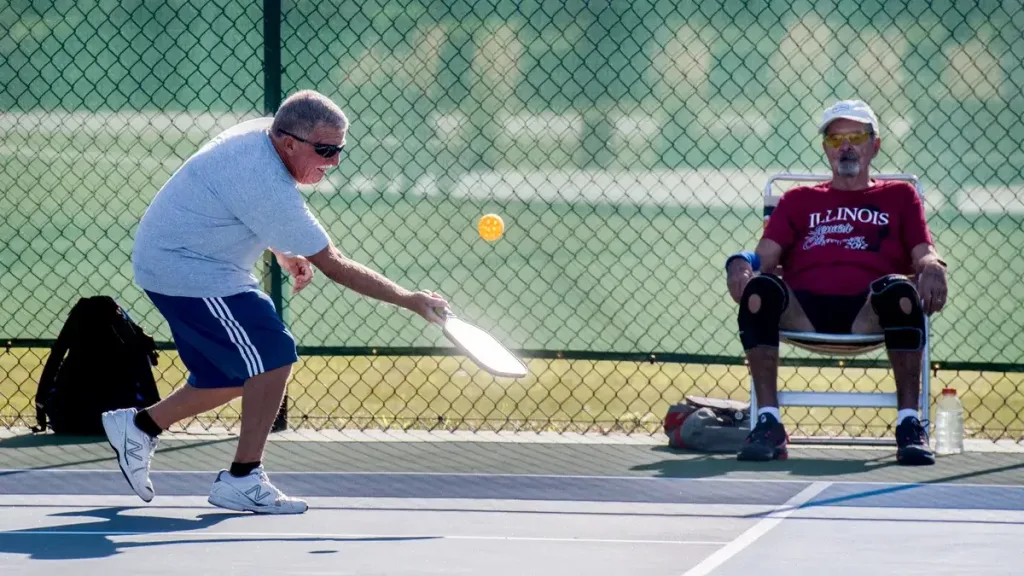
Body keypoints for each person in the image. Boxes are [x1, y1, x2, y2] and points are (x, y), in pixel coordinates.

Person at [101, 89, 449, 514]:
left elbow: (230, 203)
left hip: (189, 262)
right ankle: (242, 478)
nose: (334, 161)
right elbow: (335, 265)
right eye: (324, 150)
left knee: (233, 374)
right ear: (289, 142)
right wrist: (410, 299)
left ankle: (139, 426)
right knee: (273, 353)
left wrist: (284, 250)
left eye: (340, 149)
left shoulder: (262, 140)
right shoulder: (264, 180)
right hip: (187, 268)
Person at [724, 99, 949, 466]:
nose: (845, 146)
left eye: (856, 136)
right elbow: (762, 257)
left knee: (900, 292)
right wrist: (738, 263)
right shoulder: (798, 200)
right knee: (759, 291)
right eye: (834, 139)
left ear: (874, 145)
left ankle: (909, 425)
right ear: (825, 148)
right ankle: (769, 423)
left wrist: (935, 265)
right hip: (803, 312)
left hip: (871, 311)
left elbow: (924, 252)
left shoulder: (899, 196)